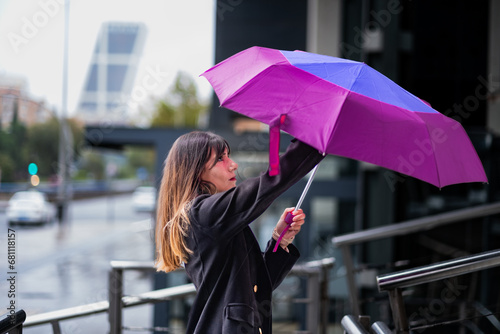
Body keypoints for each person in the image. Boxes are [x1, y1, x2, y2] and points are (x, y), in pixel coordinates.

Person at [155, 131, 324, 334]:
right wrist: (313, 140)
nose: (232, 164)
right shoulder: (203, 214)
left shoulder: (213, 218)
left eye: (228, 156)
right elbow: (267, 185)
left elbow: (259, 285)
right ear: (196, 172)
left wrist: (279, 241)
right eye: (220, 159)